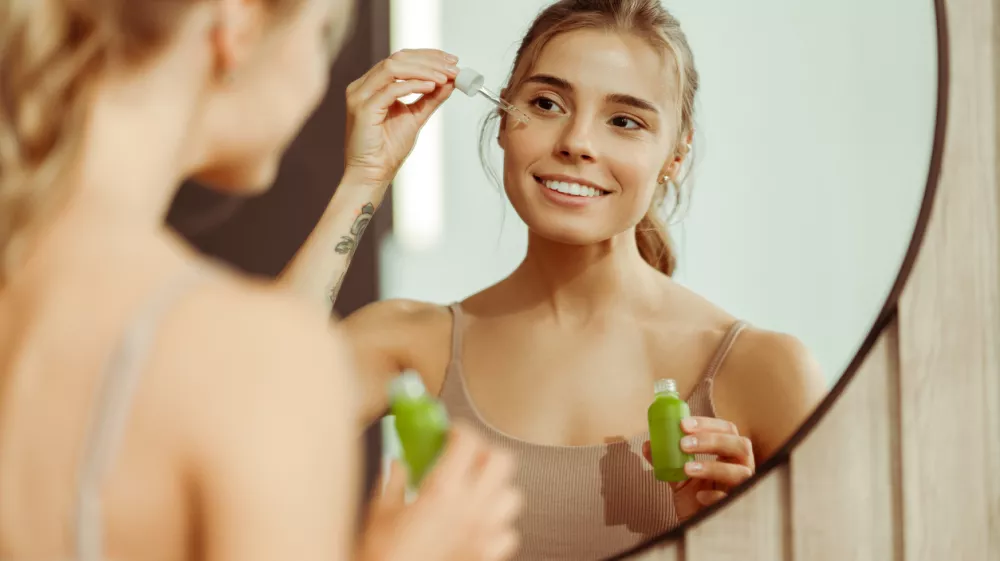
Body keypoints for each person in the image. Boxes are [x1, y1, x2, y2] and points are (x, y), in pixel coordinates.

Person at [282, 0, 829, 559]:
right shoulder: (408, 344)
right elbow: (240, 410)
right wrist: (364, 179)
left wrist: (738, 539)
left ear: (676, 154)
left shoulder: (765, 372)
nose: (577, 142)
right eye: (546, 103)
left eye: (625, 120)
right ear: (501, 121)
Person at [0, 1, 521, 560]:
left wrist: (365, 179)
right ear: (238, 24)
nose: (318, 75)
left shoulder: (43, 283)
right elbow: (262, 369)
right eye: (321, 34)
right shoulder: (258, 355)